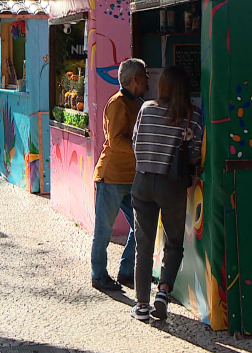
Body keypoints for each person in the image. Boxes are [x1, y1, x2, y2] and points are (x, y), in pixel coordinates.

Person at [130, 66, 202, 322]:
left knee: (144, 244)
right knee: (173, 242)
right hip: (171, 186)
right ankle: (163, 293)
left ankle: (141, 304)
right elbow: (194, 155)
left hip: (142, 181)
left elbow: (135, 143)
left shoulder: (146, 109)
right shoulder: (192, 115)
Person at [90, 58, 148, 293]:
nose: (148, 79)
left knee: (140, 227)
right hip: (112, 176)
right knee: (104, 229)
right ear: (135, 79)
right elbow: (116, 141)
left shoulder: (137, 103)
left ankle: (126, 271)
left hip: (130, 177)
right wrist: (142, 147)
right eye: (145, 75)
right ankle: (98, 275)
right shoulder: (118, 104)